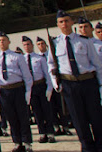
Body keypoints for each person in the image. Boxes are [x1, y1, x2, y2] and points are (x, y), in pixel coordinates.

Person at [47, 9, 102, 151]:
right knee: (78, 119)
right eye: (61, 22)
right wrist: (56, 84)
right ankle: (87, 147)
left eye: (66, 21)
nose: (64, 24)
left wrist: (100, 84)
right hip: (68, 84)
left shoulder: (84, 41)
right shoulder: (55, 43)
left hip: (88, 82)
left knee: (96, 117)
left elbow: (96, 64)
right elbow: (51, 65)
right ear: (57, 25)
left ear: (71, 22)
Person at [0, 32, 33, 152]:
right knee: (11, 117)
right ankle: (17, 142)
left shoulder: (17, 56)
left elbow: (27, 75)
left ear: (9, 42)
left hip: (18, 89)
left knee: (22, 116)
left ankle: (27, 142)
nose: (2, 43)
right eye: (0, 41)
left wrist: (28, 91)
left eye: (4, 40)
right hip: (5, 91)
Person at [20, 36, 55, 144]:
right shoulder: (22, 59)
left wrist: (49, 87)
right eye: (24, 45)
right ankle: (42, 133)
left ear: (32, 45)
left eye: (28, 44)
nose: (26, 47)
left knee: (46, 110)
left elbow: (47, 74)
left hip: (41, 85)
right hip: (31, 88)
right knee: (36, 112)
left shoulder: (39, 58)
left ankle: (50, 133)